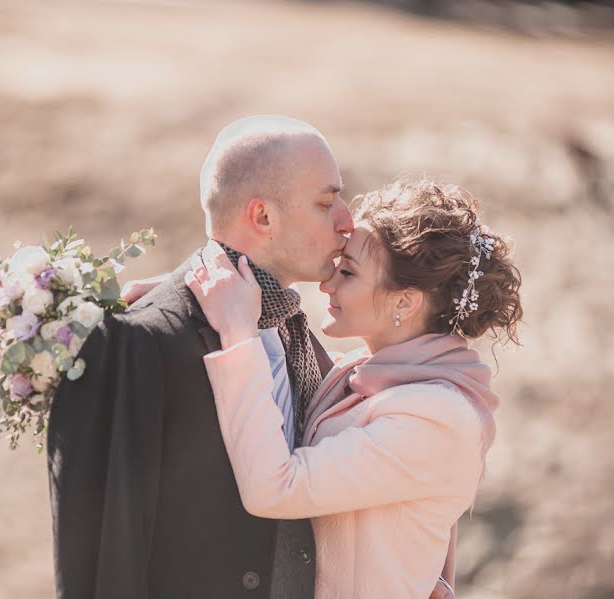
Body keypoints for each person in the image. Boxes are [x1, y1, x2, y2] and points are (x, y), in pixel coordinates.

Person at [46, 115, 354, 599]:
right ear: (263, 218)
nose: (346, 221)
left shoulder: (297, 335)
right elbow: (103, 558)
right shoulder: (137, 343)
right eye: (326, 201)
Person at [184, 179, 523, 599]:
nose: (327, 283)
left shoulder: (437, 416)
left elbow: (275, 488)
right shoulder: (363, 373)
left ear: (405, 302)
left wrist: (237, 334)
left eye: (348, 272)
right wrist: (185, 303)